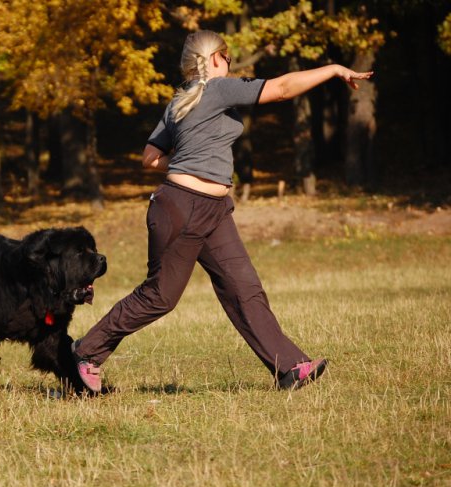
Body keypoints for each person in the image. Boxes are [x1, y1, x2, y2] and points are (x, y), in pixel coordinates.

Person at [72, 30, 373, 393]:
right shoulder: (216, 89)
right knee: (160, 296)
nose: (230, 64)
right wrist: (334, 69)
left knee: (244, 287)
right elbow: (281, 88)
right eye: (228, 57)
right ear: (215, 58)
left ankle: (290, 368)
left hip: (212, 211)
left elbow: (151, 157)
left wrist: (185, 162)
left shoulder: (179, 101)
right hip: (182, 208)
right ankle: (85, 353)